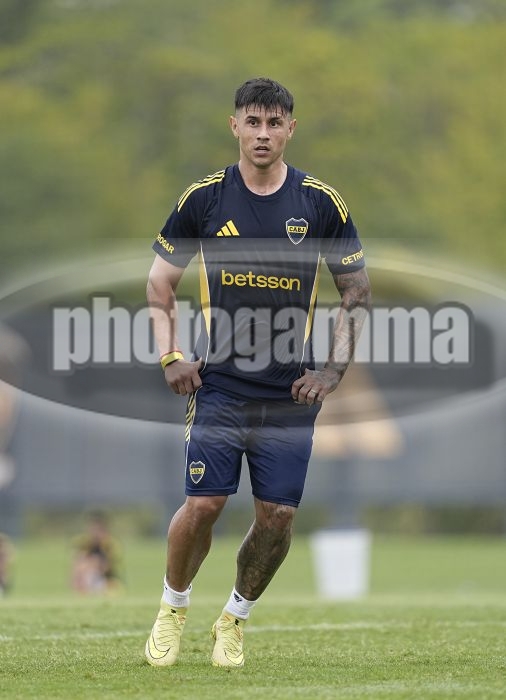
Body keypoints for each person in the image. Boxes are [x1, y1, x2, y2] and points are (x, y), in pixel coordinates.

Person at [145, 77, 371, 668]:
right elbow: (159, 284)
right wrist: (171, 356)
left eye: (274, 123)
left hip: (289, 392)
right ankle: (172, 608)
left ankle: (234, 619)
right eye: (253, 122)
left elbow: (357, 292)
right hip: (219, 384)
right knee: (204, 505)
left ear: (290, 129)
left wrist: (331, 373)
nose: (263, 133)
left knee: (278, 516)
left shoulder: (320, 202)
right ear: (235, 127)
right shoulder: (205, 198)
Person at [70, 510, 122, 594]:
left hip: (104, 578)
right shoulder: (85, 543)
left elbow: (109, 567)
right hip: (88, 577)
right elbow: (78, 562)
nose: (95, 533)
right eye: (93, 529)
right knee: (83, 560)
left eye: (98, 529)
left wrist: (94, 564)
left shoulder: (109, 544)